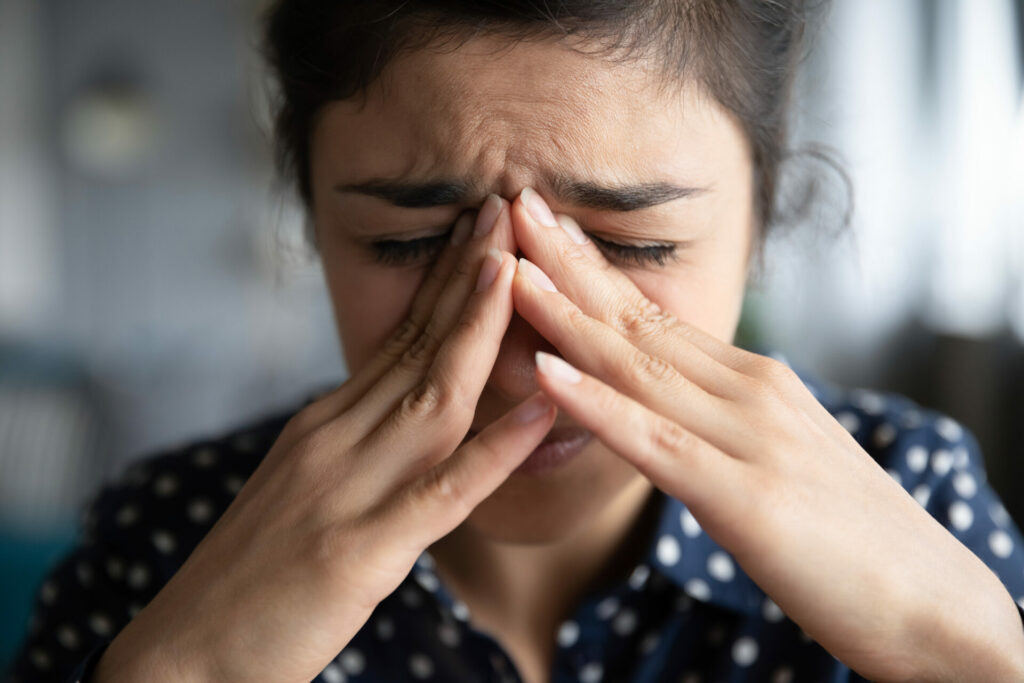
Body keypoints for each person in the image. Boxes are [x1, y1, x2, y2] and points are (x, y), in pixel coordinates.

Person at [8, 1, 1024, 681]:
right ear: (312, 220)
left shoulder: (912, 491)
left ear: (758, 219)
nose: (523, 348)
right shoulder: (165, 542)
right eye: (408, 243)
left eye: (632, 244)